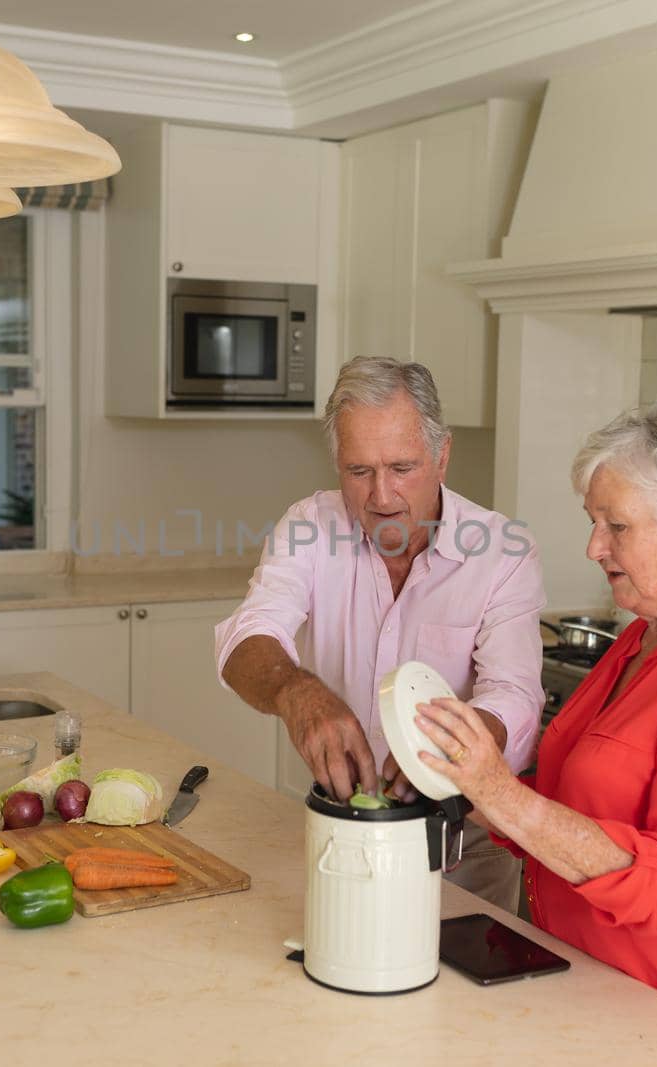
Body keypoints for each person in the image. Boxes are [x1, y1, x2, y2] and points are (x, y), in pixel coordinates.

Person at [412, 393, 657, 1050]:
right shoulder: (645, 635)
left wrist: (499, 790)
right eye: (594, 521)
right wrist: (464, 784)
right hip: (594, 990)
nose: (594, 545)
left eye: (616, 525)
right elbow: (576, 805)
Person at [215, 356, 545, 911]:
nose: (382, 497)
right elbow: (248, 635)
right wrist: (295, 691)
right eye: (359, 471)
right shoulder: (310, 527)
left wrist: (448, 749)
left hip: (464, 839)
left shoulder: (502, 553)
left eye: (402, 467)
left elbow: (514, 697)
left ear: (443, 457)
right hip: (344, 826)